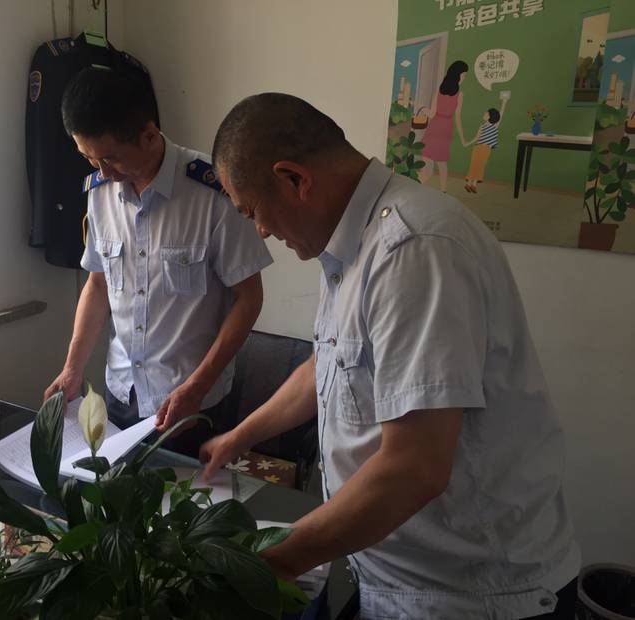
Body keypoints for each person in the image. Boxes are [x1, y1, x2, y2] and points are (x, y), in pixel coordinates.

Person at [203, 93, 580, 619]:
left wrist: (273, 562)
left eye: (252, 212)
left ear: (293, 179)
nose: (260, 230)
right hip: (391, 573)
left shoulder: (414, 249)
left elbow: (415, 467)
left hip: (468, 597)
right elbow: (329, 365)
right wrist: (240, 436)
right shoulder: (352, 244)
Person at [44, 68, 272, 457]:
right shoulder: (100, 192)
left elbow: (249, 298)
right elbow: (98, 283)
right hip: (120, 393)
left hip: (191, 402)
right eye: (89, 158)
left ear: (149, 135)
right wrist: (72, 368)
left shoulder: (213, 193)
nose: (103, 172)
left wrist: (198, 387)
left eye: (110, 158)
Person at [419, 60, 468, 193]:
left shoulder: (438, 92)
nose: (464, 78)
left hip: (435, 126)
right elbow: (457, 118)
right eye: (464, 75)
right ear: (457, 75)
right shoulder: (459, 95)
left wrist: (422, 109)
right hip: (445, 127)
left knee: (428, 163)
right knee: (441, 163)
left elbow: (431, 114)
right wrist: (463, 139)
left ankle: (420, 188)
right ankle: (443, 191)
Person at [464, 92, 509, 193]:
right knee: (474, 164)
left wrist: (504, 102)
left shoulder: (495, 126)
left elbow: (501, 114)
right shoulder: (482, 126)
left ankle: (474, 184)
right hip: (477, 148)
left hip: (486, 149)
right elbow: (476, 137)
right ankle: (469, 183)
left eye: (486, 113)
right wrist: (468, 143)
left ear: (490, 116)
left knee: (481, 166)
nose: (484, 114)